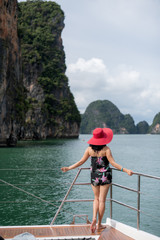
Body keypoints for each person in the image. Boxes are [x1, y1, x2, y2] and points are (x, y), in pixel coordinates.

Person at [61, 128, 133, 233]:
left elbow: (81, 161)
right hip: (105, 176)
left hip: (94, 176)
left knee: (96, 199)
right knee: (102, 200)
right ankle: (99, 224)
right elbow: (113, 163)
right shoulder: (106, 149)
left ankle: (94, 217)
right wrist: (126, 170)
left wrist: (69, 168)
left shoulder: (89, 149)